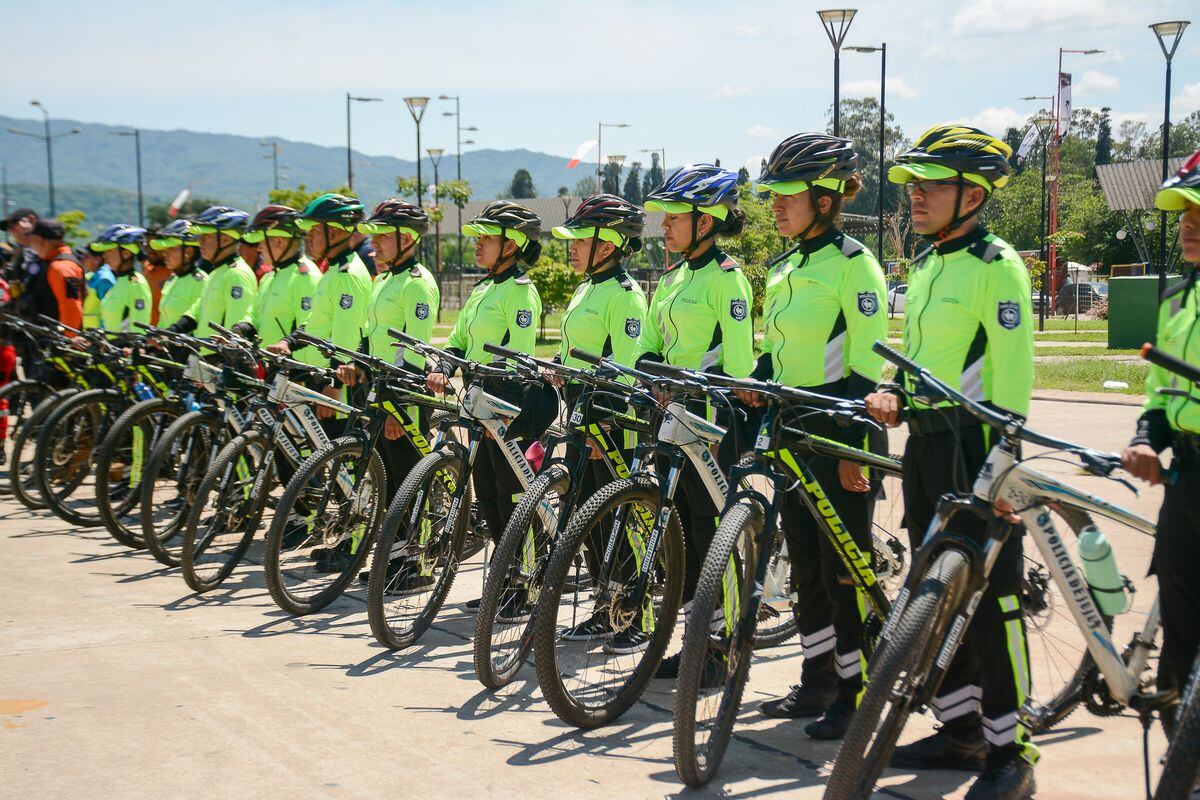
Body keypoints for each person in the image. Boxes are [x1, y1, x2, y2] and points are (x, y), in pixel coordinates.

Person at [864, 125, 1036, 799]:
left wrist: (1006, 463)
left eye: (933, 186)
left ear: (974, 193)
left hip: (977, 447)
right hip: (928, 444)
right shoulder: (932, 263)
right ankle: (961, 728)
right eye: (915, 186)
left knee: (994, 605)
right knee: (937, 595)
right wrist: (891, 392)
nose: (918, 197)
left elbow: (1012, 377)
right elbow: (926, 358)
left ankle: (1011, 749)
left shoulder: (997, 265)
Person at [739, 134, 888, 740]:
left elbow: (866, 365)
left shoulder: (855, 264)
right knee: (804, 565)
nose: (775, 204)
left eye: (787, 194)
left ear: (825, 199)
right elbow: (778, 354)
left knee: (841, 570)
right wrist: (753, 382)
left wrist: (850, 436)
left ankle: (856, 694)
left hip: (840, 430)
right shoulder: (785, 267)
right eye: (772, 194)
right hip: (792, 429)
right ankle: (818, 680)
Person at [637, 163, 755, 679]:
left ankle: (722, 648)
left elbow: (740, 367)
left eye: (673, 217)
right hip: (669, 421)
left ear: (704, 221)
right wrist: (651, 377)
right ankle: (692, 644)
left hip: (710, 427)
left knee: (713, 537)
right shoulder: (672, 278)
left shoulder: (728, 281)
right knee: (681, 535)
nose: (663, 225)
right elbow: (647, 348)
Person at [425, 201, 547, 599]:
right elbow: (459, 340)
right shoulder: (481, 289)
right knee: (490, 498)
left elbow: (521, 357)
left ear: (510, 246)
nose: (477, 245)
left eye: (487, 239)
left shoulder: (520, 292)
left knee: (513, 498)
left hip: (506, 405)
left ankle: (526, 584)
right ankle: (507, 577)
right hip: (477, 404)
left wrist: (501, 408)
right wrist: (444, 364)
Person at [547, 193, 650, 650]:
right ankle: (604, 607)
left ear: (607, 245)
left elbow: (624, 365)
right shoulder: (587, 287)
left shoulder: (626, 296)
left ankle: (635, 618)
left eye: (580, 240)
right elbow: (582, 350)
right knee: (586, 517)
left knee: (617, 520)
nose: (571, 247)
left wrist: (605, 421)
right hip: (580, 416)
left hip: (609, 424)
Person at [1121, 148, 1200, 740]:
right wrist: (1146, 437)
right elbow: (1160, 391)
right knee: (1181, 627)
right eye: (1183, 212)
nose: (1187, 223)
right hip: (1189, 478)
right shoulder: (1177, 297)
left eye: (1199, 211)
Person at [336, 200, 440, 588]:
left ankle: (418, 565)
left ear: (407, 238)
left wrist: (401, 407)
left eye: (382, 235)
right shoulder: (384, 280)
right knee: (390, 481)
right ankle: (394, 560)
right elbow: (370, 338)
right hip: (379, 390)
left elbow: (416, 350)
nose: (373, 242)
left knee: (410, 480)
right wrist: (357, 365)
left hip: (405, 394)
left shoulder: (417, 282)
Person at [269, 193, 372, 573]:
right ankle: (343, 536)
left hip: (337, 383)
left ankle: (355, 544)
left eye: (315, 230)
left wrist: (335, 384)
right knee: (334, 466)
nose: (307, 237)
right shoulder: (332, 271)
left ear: (338, 232)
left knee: (348, 468)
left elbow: (346, 340)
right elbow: (318, 328)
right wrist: (290, 343)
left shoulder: (350, 275)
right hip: (321, 379)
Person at [232, 205, 320, 348]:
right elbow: (255, 314)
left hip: (292, 367)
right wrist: (239, 330)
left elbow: (312, 326)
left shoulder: (306, 277)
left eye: (262, 242)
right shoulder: (271, 275)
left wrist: (287, 344)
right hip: (268, 365)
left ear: (279, 241)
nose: (259, 248)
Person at [177, 206, 257, 339]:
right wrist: (173, 330)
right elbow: (197, 311)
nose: (200, 241)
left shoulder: (237, 274)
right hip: (207, 355)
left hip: (222, 358)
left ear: (225, 239)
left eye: (206, 236)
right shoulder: (217, 272)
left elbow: (237, 328)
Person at [19, 218, 84, 332]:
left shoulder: (61, 267)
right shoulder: (48, 262)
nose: (31, 245)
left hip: (57, 343)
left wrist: (68, 340)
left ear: (39, 240)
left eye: (32, 240)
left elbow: (71, 307)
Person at [92, 224, 152, 334]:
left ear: (126, 253)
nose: (105, 256)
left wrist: (134, 348)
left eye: (109, 251)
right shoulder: (120, 280)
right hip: (111, 347)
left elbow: (140, 322)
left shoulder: (135, 283)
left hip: (125, 347)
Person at [149, 220, 208, 330]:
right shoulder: (172, 280)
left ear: (188, 252)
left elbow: (199, 321)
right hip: (167, 345)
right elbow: (163, 321)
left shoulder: (201, 281)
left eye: (171, 249)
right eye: (165, 250)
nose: (165, 254)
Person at [79, 244, 115, 329]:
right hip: (88, 334)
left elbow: (109, 311)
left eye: (87, 256)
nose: (82, 259)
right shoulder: (91, 276)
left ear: (97, 260)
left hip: (97, 336)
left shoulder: (104, 280)